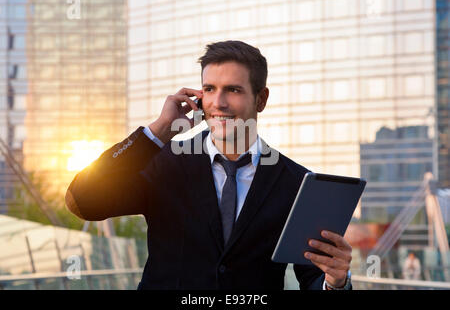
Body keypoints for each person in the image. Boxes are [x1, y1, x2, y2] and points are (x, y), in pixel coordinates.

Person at [65, 40, 353, 290]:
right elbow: (84, 201)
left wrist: (335, 282)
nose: (219, 102)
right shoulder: (163, 163)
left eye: (233, 90)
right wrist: (158, 131)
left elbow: (315, 276)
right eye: (209, 89)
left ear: (261, 99)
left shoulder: (297, 183)